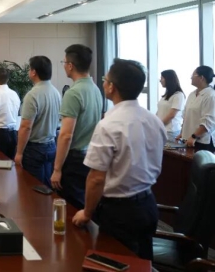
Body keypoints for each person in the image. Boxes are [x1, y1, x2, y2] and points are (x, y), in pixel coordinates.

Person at [72, 59, 165, 260]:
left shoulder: (109, 125)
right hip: (148, 204)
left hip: (119, 212)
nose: (103, 83)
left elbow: (96, 178)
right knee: (143, 262)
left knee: (116, 262)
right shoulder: (154, 121)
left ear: (111, 87)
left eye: (105, 79)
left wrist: (87, 213)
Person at [51, 44, 103, 209]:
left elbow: (66, 135)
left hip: (74, 159)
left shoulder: (73, 93)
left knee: (71, 208)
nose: (64, 66)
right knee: (83, 204)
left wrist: (57, 169)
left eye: (64, 62)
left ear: (70, 65)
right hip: (89, 155)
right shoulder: (95, 89)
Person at [14, 56, 61, 186]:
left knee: (32, 188)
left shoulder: (32, 95)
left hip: (34, 149)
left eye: (30, 69)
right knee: (46, 188)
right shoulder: (56, 93)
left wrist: (19, 153)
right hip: (51, 146)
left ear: (34, 72)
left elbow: (26, 127)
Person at [179, 66, 215, 152]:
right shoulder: (192, 94)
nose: (191, 77)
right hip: (189, 139)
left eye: (193, 75)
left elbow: (208, 122)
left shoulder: (211, 95)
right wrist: (182, 133)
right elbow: (186, 116)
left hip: (202, 141)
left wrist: (194, 136)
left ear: (201, 78)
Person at [156, 70, 185, 140]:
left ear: (168, 79)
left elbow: (171, 115)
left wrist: (158, 125)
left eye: (162, 78)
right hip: (161, 129)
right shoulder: (166, 95)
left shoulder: (178, 95)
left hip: (171, 131)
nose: (160, 80)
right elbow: (159, 112)